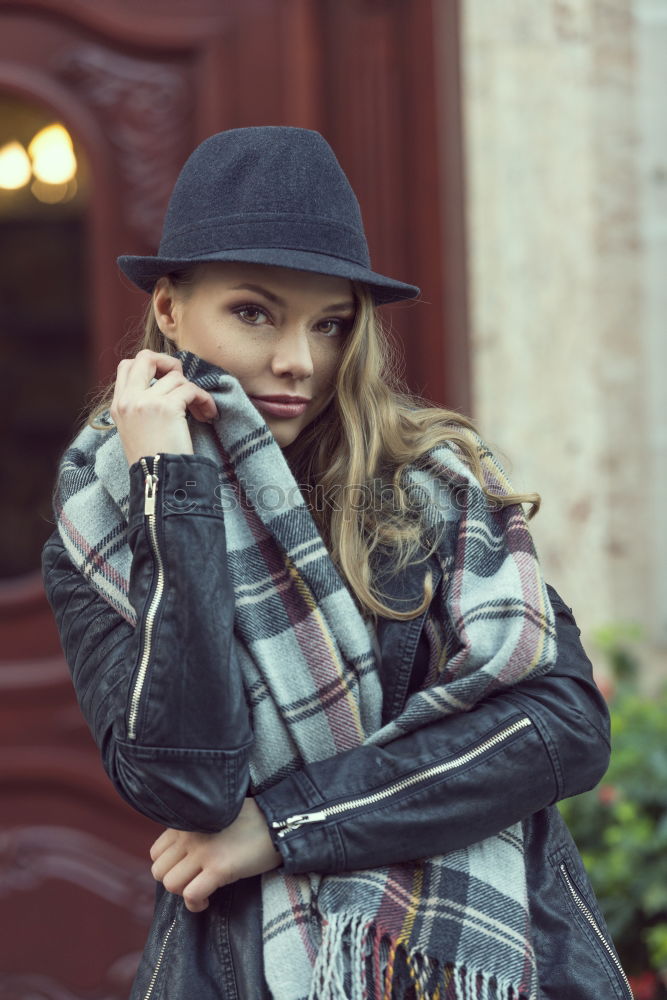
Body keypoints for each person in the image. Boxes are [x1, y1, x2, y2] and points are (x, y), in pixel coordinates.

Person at [42, 128, 630, 1000]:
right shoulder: (101, 521)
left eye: (330, 323)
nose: (299, 361)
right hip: (245, 970)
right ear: (169, 309)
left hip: (481, 962)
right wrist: (176, 489)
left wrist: (282, 827)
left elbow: (559, 727)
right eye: (255, 312)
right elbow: (190, 780)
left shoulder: (430, 484)